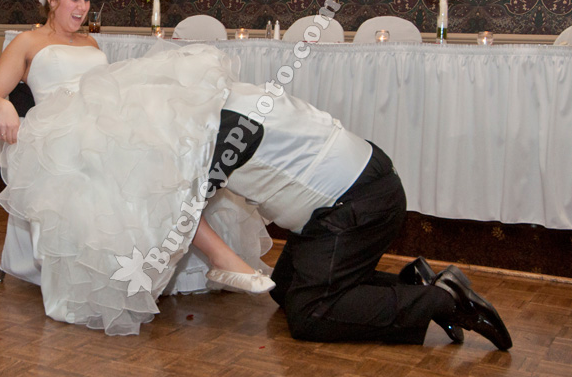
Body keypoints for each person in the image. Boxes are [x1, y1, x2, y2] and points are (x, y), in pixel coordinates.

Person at [0, 0, 274, 336]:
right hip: (58, 134)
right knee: (131, 158)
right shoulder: (28, 42)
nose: (82, 8)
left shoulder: (90, 42)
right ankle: (219, 256)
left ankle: (207, 256)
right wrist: (4, 106)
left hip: (99, 122)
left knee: (163, 151)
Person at [204, 80, 513, 350]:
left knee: (311, 312)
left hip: (356, 203)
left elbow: (186, 211)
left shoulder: (225, 131)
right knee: (285, 288)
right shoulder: (223, 97)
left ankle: (444, 302)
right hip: (350, 193)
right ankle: (416, 286)